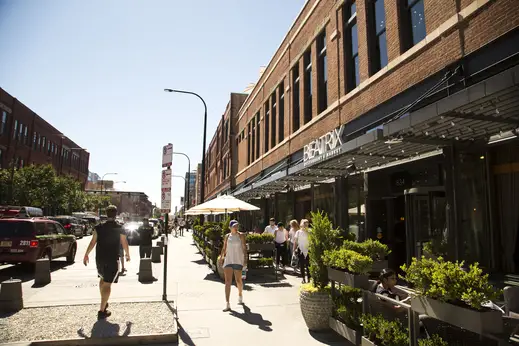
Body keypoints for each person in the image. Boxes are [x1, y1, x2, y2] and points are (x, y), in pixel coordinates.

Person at [83, 205, 130, 320]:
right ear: (116, 214)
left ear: (106, 213)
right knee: (108, 283)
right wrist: (128, 254)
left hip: (99, 258)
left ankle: (104, 302)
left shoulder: (99, 227)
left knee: (102, 279)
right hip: (112, 258)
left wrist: (86, 254)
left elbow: (93, 241)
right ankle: (102, 311)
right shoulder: (120, 227)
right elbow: (124, 242)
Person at [219, 220, 247, 312]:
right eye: (234, 226)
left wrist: (245, 260)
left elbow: (244, 248)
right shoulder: (227, 236)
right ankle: (227, 303)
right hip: (229, 260)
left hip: (238, 260)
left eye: (237, 226)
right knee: (227, 281)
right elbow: (224, 248)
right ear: (230, 227)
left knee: (238, 280)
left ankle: (240, 294)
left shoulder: (241, 236)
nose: (236, 227)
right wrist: (221, 257)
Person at [294, 219, 310, 284]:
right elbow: (295, 241)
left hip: (308, 249)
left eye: (307, 224)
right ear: (301, 225)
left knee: (308, 265)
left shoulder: (309, 231)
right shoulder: (298, 232)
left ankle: (309, 278)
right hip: (300, 250)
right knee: (302, 265)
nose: (305, 226)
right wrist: (294, 250)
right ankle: (303, 278)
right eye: (304, 224)